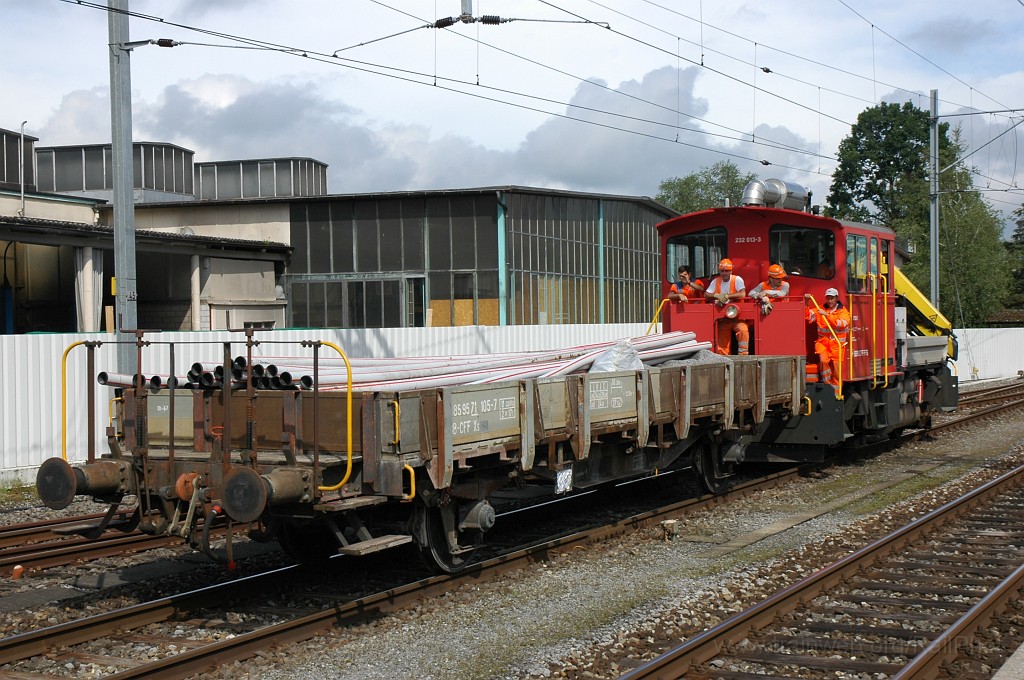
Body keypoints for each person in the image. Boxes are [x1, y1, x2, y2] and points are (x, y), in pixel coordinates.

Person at [806, 287, 851, 389]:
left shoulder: (843, 312)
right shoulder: (820, 309)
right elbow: (808, 316)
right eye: (828, 298)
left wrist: (827, 315)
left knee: (836, 368)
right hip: (823, 343)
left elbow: (841, 324)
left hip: (837, 346)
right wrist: (806, 302)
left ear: (836, 298)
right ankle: (827, 385)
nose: (830, 300)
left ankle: (836, 391)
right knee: (823, 361)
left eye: (832, 298)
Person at [704, 258, 749, 355]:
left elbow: (742, 294)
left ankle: (743, 357)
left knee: (743, 330)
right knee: (721, 342)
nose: (724, 273)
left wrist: (726, 296)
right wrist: (716, 295)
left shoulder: (737, 279)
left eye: (727, 271)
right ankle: (724, 360)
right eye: (722, 271)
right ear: (719, 271)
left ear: (731, 271)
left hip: (738, 318)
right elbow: (706, 294)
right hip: (723, 319)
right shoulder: (716, 281)